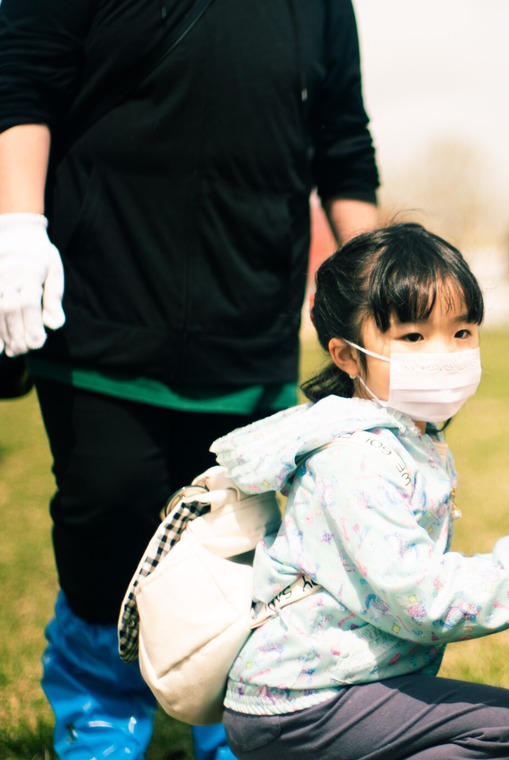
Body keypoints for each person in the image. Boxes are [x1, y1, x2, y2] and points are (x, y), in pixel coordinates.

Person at [0, 1, 382, 758]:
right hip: (105, 303)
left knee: (243, 546)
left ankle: (239, 727)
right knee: (105, 520)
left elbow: (342, 138)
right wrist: (17, 225)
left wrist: (383, 294)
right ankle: (100, 717)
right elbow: (22, 79)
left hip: (252, 313)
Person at [207, 223, 509, 760]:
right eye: (414, 337)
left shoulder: (408, 437)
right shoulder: (354, 462)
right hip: (302, 705)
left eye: (462, 333)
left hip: (336, 688)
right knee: (500, 729)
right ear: (347, 356)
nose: (444, 353)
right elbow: (426, 600)